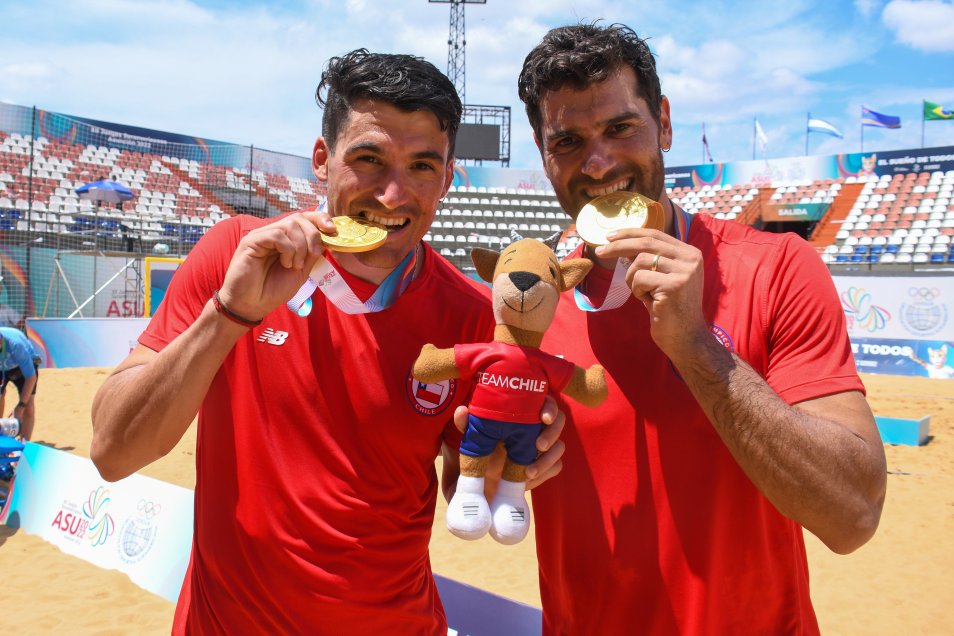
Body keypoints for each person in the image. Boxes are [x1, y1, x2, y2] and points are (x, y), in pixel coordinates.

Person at [90, 49, 564, 634]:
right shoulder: (236, 253)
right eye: (369, 159)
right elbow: (113, 452)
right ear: (322, 159)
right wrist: (231, 314)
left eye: (421, 166)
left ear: (445, 178)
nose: (392, 195)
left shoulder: (470, 315)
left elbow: (460, 480)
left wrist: (510, 459)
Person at [517, 23, 888, 634]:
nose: (599, 162)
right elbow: (469, 474)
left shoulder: (778, 268)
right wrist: (501, 463)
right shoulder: (526, 296)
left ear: (663, 123)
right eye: (568, 141)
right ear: (542, 150)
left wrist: (697, 349)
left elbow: (854, 517)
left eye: (620, 128)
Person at [0, 326, 41, 440]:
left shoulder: (16, 345)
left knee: (28, 406)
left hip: (21, 367)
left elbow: (31, 378)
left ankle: (25, 443)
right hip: (2, 367)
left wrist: (20, 406)